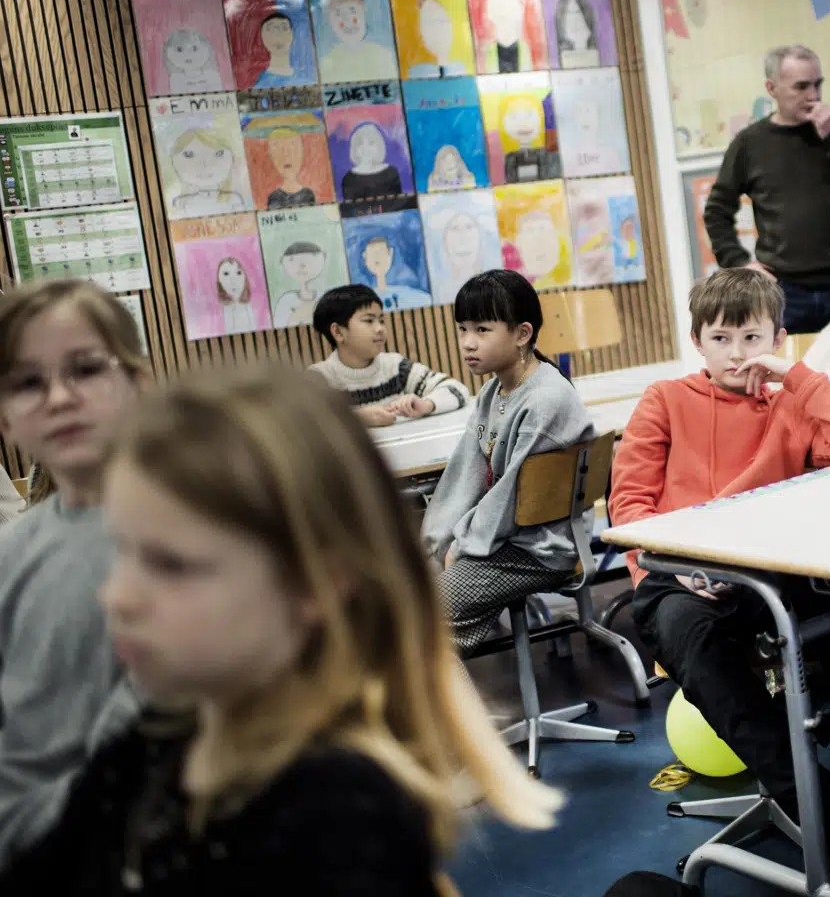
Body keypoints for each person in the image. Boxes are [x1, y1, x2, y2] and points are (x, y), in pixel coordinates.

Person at [0, 365, 563, 893]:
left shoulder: (339, 816)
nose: (116, 596)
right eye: (120, 553)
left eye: (172, 565)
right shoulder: (153, 735)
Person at [609, 269, 830, 893]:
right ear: (698, 343)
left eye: (752, 338)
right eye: (723, 339)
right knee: (722, 677)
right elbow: (629, 507)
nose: (737, 355)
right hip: (675, 577)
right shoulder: (664, 400)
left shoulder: (791, 401)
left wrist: (797, 377)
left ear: (778, 339)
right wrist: (677, 562)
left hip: (770, 574)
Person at [0, 280, 146, 869]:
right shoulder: (15, 552)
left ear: (139, 384)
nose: (58, 398)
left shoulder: (193, 535)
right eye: (27, 382)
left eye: (85, 370)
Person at [420, 270, 594, 652]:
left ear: (522, 334)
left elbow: (511, 498)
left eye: (482, 330)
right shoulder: (492, 392)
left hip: (540, 550)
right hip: (504, 539)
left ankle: (450, 712)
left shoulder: (545, 399)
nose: (467, 343)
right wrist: (432, 546)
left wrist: (461, 545)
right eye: (462, 329)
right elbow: (463, 477)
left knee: (421, 622)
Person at [703, 45, 830, 335]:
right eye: (801, 87)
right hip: (784, 293)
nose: (814, 96)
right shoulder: (750, 144)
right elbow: (717, 211)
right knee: (787, 377)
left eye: (817, 84)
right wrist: (740, 265)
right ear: (772, 88)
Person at [309, 284, 469, 428]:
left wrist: (426, 404)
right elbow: (304, 423)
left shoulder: (395, 366)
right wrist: (358, 418)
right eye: (368, 321)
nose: (380, 329)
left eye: (381, 320)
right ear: (338, 332)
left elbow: (457, 389)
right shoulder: (320, 377)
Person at [319, 0, 398, 83]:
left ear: (364, 16)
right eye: (338, 14)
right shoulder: (327, 62)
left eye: (353, 11)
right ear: (331, 24)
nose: (347, 19)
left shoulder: (383, 55)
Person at [169, 128, 248, 219]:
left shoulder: (234, 199)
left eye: (219, 153)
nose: (205, 165)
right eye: (189, 154)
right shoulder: (180, 202)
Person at [353, 234, 432, 310]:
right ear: (364, 256)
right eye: (372, 254)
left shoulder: (410, 293)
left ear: (390, 253)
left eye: (381, 252)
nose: (377, 258)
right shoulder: (363, 299)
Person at [271, 240, 329, 328]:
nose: (302, 265)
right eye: (291, 259)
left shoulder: (326, 296)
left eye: (311, 258)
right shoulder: (286, 300)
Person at [342, 121, 404, 200]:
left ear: (379, 146)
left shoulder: (391, 172)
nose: (366, 148)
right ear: (355, 148)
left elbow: (399, 203)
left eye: (371, 143)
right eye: (360, 144)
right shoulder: (349, 179)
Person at [263, 125, 316, 209]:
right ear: (271, 156)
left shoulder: (308, 195)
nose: (286, 156)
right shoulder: (274, 198)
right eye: (278, 150)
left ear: (301, 153)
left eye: (293, 149)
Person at [162, 28, 224, 94]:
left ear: (207, 49)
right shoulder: (176, 78)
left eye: (194, 48)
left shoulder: (212, 75)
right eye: (179, 49)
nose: (188, 54)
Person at [553, 0, 599, 69]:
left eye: (577, 13)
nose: (575, 22)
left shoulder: (595, 55)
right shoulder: (565, 58)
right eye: (569, 14)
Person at [253, 12, 297, 88]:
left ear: (292, 34)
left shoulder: (305, 76)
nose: (278, 35)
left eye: (284, 28)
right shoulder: (262, 84)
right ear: (262, 36)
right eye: (270, 29)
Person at [216, 256, 258, 334]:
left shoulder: (249, 305)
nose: (233, 279)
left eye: (238, 273)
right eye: (226, 274)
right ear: (219, 280)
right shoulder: (224, 308)